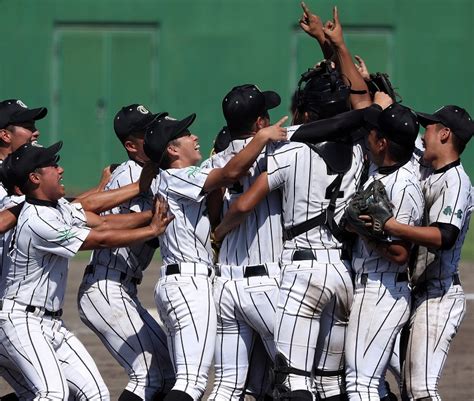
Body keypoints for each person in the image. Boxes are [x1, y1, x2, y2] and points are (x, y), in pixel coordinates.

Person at [0, 141, 174, 400]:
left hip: (50, 323)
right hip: (20, 322)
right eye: (52, 165)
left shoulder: (56, 207)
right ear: (35, 178)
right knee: (53, 394)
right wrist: (151, 230)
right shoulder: (37, 220)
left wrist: (151, 216)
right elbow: (98, 239)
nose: (60, 170)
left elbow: (103, 222)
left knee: (96, 394)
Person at [143, 111, 287, 401]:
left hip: (176, 281)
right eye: (186, 134)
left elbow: (221, 174)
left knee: (212, 383)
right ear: (172, 149)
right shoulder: (178, 177)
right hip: (189, 285)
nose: (194, 137)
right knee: (191, 383)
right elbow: (230, 173)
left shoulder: (167, 178)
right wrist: (260, 137)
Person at [78, 104, 176, 401]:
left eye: (153, 127)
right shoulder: (130, 175)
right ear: (131, 145)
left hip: (123, 288)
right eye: (144, 133)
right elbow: (114, 225)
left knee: (170, 373)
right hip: (105, 288)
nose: (153, 134)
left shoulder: (153, 172)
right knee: (149, 374)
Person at [378, 105, 473, 400]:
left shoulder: (456, 182)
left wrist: (392, 226)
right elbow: (402, 131)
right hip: (419, 294)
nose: (423, 133)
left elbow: (444, 236)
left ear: (445, 134)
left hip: (439, 297)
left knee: (421, 389)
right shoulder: (427, 168)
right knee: (409, 390)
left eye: (429, 127)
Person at [205, 84, 283, 400]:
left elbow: (212, 213)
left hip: (225, 284)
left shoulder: (213, 164)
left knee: (227, 385)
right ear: (260, 123)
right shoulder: (276, 153)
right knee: (298, 378)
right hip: (265, 284)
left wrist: (220, 232)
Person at [343, 103, 424, 401]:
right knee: (369, 383)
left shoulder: (402, 186)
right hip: (373, 289)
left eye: (373, 133)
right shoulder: (382, 173)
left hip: (384, 290)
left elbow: (401, 253)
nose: (368, 137)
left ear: (382, 142)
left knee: (360, 384)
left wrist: (366, 233)